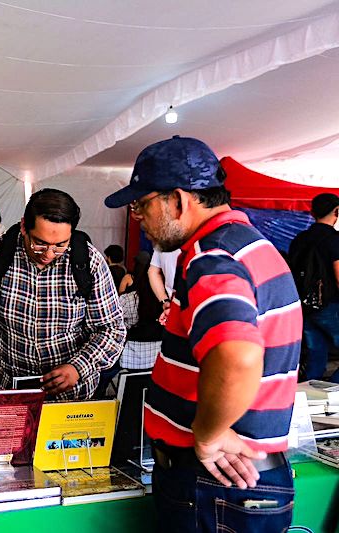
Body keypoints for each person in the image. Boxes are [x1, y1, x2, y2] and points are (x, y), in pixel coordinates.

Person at [105, 136, 301, 533]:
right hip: (235, 483)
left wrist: (208, 436)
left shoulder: (212, 257)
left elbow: (237, 356)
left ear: (178, 200)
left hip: (214, 485)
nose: (138, 216)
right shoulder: (250, 246)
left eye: (142, 204)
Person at [0, 188, 125, 401]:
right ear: (23, 227)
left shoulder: (89, 261)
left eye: (60, 246)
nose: (48, 255)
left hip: (73, 396)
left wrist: (78, 367)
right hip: (12, 391)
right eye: (40, 243)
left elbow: (112, 329)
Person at [288, 193, 339, 382]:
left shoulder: (299, 239)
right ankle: (334, 393)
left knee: (316, 356)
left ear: (312, 212)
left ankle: (310, 401)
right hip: (331, 307)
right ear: (337, 211)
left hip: (306, 307)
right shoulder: (335, 240)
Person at [117, 251, 163, 370]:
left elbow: (114, 323)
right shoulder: (166, 304)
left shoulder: (128, 299)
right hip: (157, 360)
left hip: (130, 359)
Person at [148, 249, 181, 320]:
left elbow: (153, 271)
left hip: (174, 305)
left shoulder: (162, 240)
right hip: (176, 305)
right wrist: (164, 300)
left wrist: (164, 300)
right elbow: (153, 271)